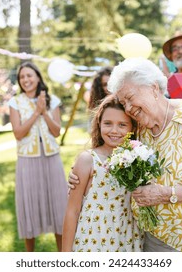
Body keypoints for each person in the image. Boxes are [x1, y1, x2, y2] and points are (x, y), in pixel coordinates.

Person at [69, 57, 182, 252]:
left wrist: (168, 194)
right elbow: (111, 153)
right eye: (122, 102)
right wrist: (79, 174)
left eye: (129, 98)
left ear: (153, 88)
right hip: (143, 238)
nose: (127, 108)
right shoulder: (140, 127)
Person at [62, 95, 143, 252]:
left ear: (132, 128)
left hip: (126, 238)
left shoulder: (137, 159)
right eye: (108, 123)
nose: (114, 130)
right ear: (99, 124)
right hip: (95, 240)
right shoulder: (88, 160)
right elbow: (72, 211)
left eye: (122, 125)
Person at [8, 61, 68, 252]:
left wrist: (45, 112)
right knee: (30, 207)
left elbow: (57, 131)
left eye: (29, 75)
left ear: (38, 77)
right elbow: (18, 133)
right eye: (22, 77)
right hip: (28, 160)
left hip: (52, 158)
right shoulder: (15, 102)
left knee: (58, 207)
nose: (26, 79)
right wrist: (36, 113)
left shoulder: (53, 100)